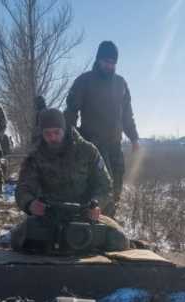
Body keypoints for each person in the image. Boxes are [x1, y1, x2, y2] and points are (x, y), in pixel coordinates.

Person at [12, 108, 129, 252]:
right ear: (42, 134)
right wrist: (30, 204)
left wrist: (97, 204)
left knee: (120, 241)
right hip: (49, 216)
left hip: (85, 215)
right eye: (47, 134)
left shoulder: (88, 150)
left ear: (64, 129)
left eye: (56, 132)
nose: (52, 137)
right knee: (18, 239)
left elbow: (105, 185)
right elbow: (23, 189)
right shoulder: (35, 156)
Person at [64, 41, 140, 217]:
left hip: (115, 144)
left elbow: (127, 115)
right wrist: (69, 138)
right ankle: (97, 220)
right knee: (102, 185)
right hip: (93, 145)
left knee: (117, 184)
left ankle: (109, 219)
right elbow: (71, 112)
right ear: (98, 60)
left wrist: (134, 138)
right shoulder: (84, 81)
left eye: (113, 62)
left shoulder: (121, 84)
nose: (109, 65)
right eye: (106, 61)